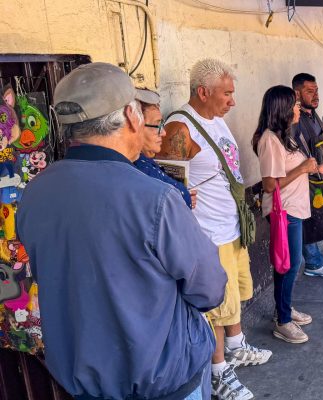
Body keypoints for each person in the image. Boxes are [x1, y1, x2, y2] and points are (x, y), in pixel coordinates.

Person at [16, 62, 227, 399]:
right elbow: (210, 289)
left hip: (81, 382)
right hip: (161, 382)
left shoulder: (36, 192)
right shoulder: (156, 198)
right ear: (132, 116)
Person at [158, 58, 270, 400]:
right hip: (207, 234)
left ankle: (235, 348)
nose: (233, 101)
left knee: (233, 297)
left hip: (231, 227)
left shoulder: (216, 121)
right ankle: (218, 372)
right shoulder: (180, 128)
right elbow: (166, 181)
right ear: (203, 92)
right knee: (215, 308)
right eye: (227, 94)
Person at [252, 85, 323, 344]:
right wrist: (302, 169)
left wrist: (316, 168)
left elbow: (294, 168)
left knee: (288, 265)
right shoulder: (269, 140)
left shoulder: (284, 136)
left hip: (294, 208)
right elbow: (269, 184)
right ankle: (283, 321)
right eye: (295, 105)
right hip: (283, 211)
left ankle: (284, 309)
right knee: (290, 265)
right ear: (282, 109)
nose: (299, 108)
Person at [292, 73, 323, 277]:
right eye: (310, 91)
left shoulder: (313, 114)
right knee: (309, 221)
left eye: (316, 90)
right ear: (297, 93)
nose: (315, 95)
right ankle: (313, 262)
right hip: (306, 181)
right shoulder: (295, 120)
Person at [133, 88, 196, 209]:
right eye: (157, 125)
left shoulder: (144, 162)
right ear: (133, 124)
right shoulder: (139, 171)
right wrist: (184, 196)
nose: (163, 133)